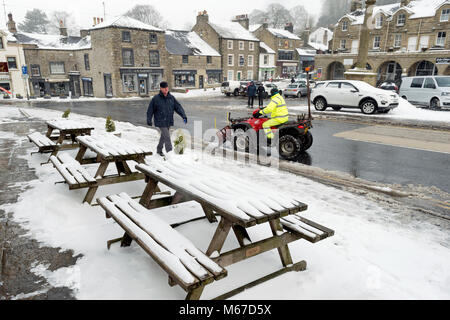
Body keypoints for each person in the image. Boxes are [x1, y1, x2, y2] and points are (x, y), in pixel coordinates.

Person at [147, 81, 187, 157]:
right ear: (161, 88)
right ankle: (170, 153)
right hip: (160, 121)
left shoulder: (171, 98)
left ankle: (159, 150)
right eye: (164, 88)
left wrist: (183, 116)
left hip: (168, 120)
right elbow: (150, 110)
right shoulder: (156, 99)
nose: (166, 89)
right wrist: (149, 119)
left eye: (167, 88)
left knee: (163, 136)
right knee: (167, 136)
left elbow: (178, 107)